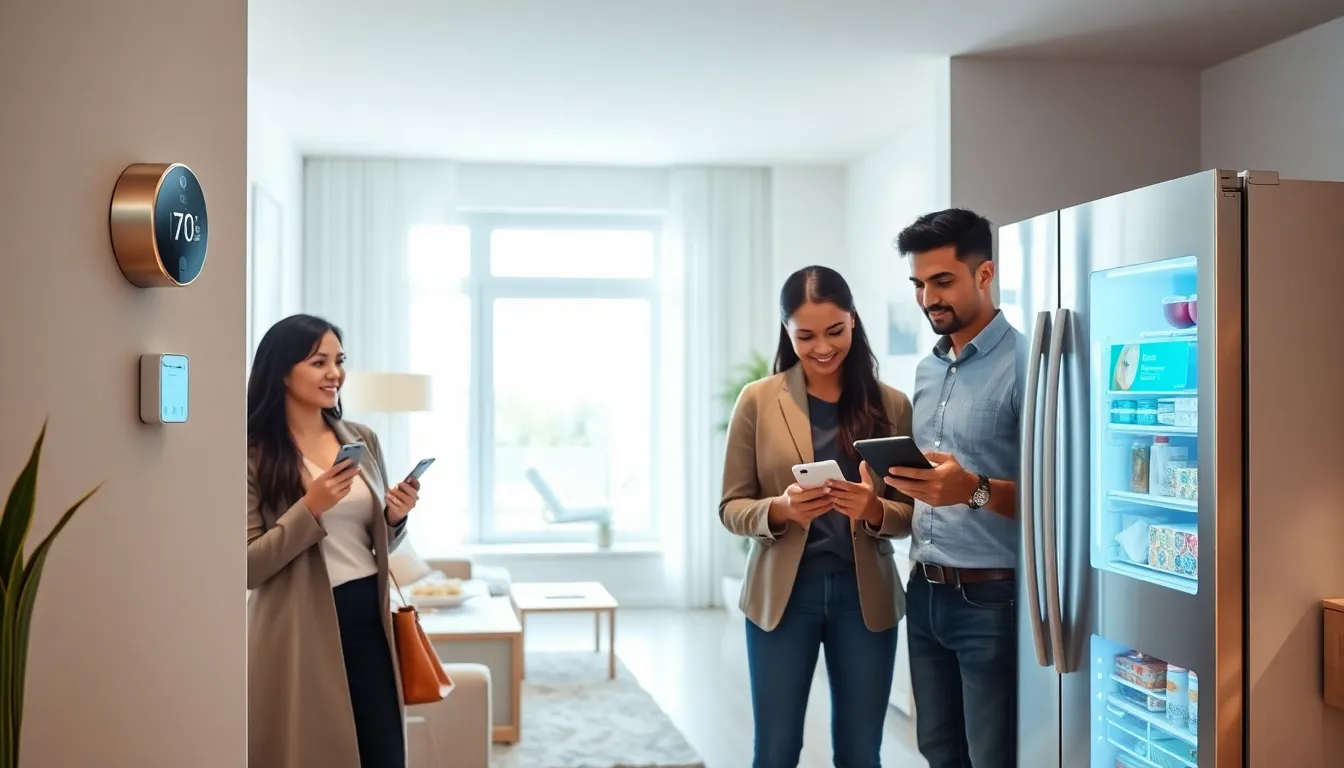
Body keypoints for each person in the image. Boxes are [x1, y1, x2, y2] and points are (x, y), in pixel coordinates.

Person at [720, 265, 915, 768]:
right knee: (778, 749)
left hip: (863, 597)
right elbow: (731, 507)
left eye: (835, 331)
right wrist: (780, 509)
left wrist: (874, 510)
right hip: (783, 598)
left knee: (859, 752)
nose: (822, 347)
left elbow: (910, 513)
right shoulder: (758, 401)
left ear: (853, 321)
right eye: (805, 336)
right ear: (787, 331)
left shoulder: (890, 404)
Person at [245, 314, 419, 768]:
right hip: (301, 626)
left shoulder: (362, 438)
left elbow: (370, 545)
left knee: (385, 753)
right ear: (282, 370)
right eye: (318, 362)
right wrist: (311, 507)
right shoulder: (251, 454)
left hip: (370, 618)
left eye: (339, 361)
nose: (334, 373)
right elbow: (247, 567)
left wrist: (394, 519)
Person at [885, 209, 1021, 768]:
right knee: (938, 750)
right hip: (924, 588)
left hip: (991, 597)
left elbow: (1058, 497)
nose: (927, 299)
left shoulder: (1026, 364)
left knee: (990, 756)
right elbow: (927, 488)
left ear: (984, 275)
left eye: (942, 282)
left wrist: (974, 490)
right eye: (919, 285)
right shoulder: (926, 369)